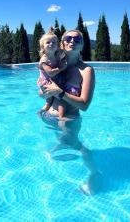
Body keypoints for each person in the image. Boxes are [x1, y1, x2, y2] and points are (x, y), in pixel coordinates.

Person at [39, 29, 102, 195]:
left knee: (77, 146)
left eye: (77, 39)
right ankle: (54, 152)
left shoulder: (86, 71)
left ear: (82, 45)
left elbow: (85, 105)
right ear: (62, 43)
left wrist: (59, 92)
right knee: (63, 141)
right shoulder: (56, 65)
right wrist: (44, 92)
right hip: (50, 118)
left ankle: (95, 174)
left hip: (69, 120)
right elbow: (44, 86)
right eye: (68, 38)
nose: (72, 41)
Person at [37, 28, 67, 119]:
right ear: (42, 47)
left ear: (57, 46)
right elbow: (50, 73)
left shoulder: (56, 55)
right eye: (48, 42)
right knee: (62, 99)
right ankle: (61, 118)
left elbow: (64, 51)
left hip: (53, 81)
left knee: (49, 103)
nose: (51, 44)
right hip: (47, 84)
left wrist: (64, 37)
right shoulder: (44, 59)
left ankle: (42, 111)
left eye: (54, 42)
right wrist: (61, 68)